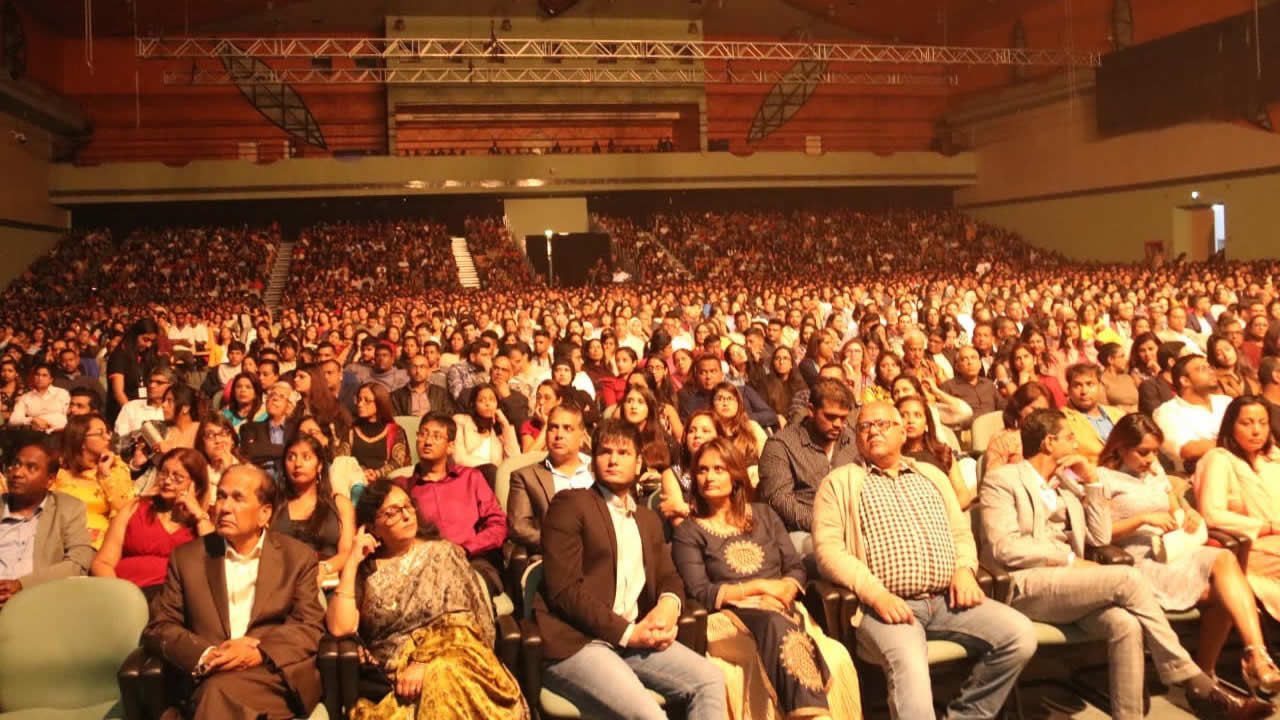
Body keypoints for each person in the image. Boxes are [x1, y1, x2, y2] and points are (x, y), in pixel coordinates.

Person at [979, 408, 1265, 720]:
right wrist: (1070, 560)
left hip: (1067, 586)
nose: (1077, 444)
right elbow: (1005, 547)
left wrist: (1092, 482)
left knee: (1125, 624)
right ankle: (1193, 679)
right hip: (1024, 583)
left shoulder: (1066, 483)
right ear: (1049, 442)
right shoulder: (1002, 480)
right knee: (1128, 578)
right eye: (1070, 437)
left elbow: (1099, 537)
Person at [813, 401, 1036, 720]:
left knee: (1020, 635)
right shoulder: (839, 482)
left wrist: (965, 569)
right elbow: (828, 551)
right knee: (910, 668)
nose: (873, 431)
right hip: (887, 608)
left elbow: (960, 532)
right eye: (865, 426)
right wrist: (877, 595)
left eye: (882, 424)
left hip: (948, 600)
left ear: (902, 433)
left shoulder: (931, 475)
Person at [533, 419, 726, 720]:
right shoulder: (570, 505)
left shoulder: (647, 520)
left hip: (633, 640)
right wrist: (628, 633)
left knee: (710, 679)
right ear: (593, 462)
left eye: (623, 453)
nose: (613, 460)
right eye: (605, 452)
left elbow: (669, 577)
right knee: (650, 716)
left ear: (638, 464)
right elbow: (565, 591)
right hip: (579, 642)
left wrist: (668, 606)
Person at [673, 436, 860, 720]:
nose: (709, 477)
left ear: (735, 475)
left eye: (719, 469)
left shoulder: (764, 514)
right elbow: (701, 592)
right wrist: (758, 587)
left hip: (783, 608)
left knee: (836, 655)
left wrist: (784, 590)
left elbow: (795, 567)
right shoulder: (689, 531)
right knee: (776, 628)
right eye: (702, 470)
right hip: (728, 620)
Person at [1099, 414, 1280, 692]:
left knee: (1225, 559)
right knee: (1226, 593)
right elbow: (1099, 534)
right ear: (1120, 447)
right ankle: (1206, 675)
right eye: (1143, 452)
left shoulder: (1155, 471)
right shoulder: (1103, 478)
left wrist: (1188, 513)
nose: (1150, 459)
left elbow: (1174, 507)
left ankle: (1256, 655)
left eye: (1155, 451)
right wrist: (1142, 519)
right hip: (1136, 560)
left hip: (1172, 551)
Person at [325, 479, 529, 720]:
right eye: (392, 512)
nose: (406, 516)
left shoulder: (443, 553)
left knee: (442, 675)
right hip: (393, 675)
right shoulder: (367, 570)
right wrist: (351, 561)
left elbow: (463, 622)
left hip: (457, 657)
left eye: (408, 506)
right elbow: (340, 627)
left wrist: (425, 661)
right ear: (372, 527)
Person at [142, 464, 327, 720]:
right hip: (207, 674)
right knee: (214, 690)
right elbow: (160, 627)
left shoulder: (296, 557)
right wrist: (207, 654)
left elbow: (308, 626)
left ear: (264, 514)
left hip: (270, 677)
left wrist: (258, 651)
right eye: (221, 496)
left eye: (238, 498)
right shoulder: (188, 558)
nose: (225, 507)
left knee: (214, 693)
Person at [398, 412, 508, 593]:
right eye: (423, 434)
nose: (428, 441)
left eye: (436, 436)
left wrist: (466, 548)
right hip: (425, 566)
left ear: (450, 447)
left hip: (472, 560)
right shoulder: (402, 488)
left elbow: (498, 524)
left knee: (469, 585)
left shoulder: (471, 478)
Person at [1195, 396, 1280, 630]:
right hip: (1246, 548)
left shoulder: (1273, 460)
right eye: (1247, 423)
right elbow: (1212, 514)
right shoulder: (1218, 459)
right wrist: (1269, 527)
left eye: (1263, 423)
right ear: (1231, 426)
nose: (1256, 431)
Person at [91, 448, 215, 593]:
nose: (167, 481)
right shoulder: (135, 508)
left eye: (177, 477)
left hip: (172, 598)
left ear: (196, 486)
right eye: (163, 473)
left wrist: (199, 515)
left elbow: (217, 561)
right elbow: (102, 562)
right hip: (126, 592)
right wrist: (118, 594)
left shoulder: (202, 523)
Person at [0, 442, 95, 608]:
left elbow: (78, 562)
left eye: (31, 468)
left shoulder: (68, 508)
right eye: (15, 464)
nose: (17, 473)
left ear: (50, 480)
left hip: (42, 602)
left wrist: (22, 585)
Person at [507, 403, 593, 555]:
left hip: (601, 556)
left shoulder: (598, 470)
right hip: (552, 556)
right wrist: (558, 543)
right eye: (553, 427)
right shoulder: (525, 477)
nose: (559, 435)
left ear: (582, 437)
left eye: (567, 428)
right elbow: (518, 527)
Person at [273, 435, 355, 587]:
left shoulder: (339, 504)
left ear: (320, 466)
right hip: (281, 583)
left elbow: (346, 552)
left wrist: (324, 568)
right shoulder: (274, 504)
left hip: (327, 583)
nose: (297, 464)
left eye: (306, 457)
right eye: (291, 457)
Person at [53, 413, 135, 549]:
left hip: (96, 542)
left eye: (107, 432)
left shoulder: (115, 467)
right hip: (59, 537)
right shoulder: (60, 471)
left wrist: (105, 475)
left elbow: (126, 510)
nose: (108, 437)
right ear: (81, 440)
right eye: (100, 433)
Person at [1153, 354, 1233, 472]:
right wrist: (1237, 442)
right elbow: (1188, 450)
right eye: (1202, 369)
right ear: (1185, 381)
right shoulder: (1167, 411)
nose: (1211, 372)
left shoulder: (1226, 401)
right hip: (1201, 473)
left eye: (1210, 367)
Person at [897, 394, 973, 510]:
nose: (910, 421)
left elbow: (963, 495)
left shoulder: (942, 453)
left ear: (927, 423)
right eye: (903, 415)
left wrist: (944, 513)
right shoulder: (891, 458)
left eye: (917, 415)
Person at [659, 410, 721, 527]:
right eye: (691, 431)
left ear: (719, 436)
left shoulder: (728, 470)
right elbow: (680, 524)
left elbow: (735, 514)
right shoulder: (671, 475)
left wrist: (684, 508)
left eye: (705, 431)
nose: (697, 435)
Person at [1060, 363, 1125, 466]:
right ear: (1068, 390)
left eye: (1090, 384)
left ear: (1100, 386)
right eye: (1077, 385)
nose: (1084, 391)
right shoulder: (1062, 419)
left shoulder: (1118, 414)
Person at [348, 381, 410, 485]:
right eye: (359, 399)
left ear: (380, 403)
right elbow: (343, 459)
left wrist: (377, 474)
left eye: (367, 400)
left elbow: (397, 462)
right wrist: (361, 473)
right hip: (355, 480)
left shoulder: (395, 431)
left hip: (385, 482)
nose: (360, 404)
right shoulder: (351, 430)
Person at [239, 381, 297, 480]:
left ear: (289, 406)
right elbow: (250, 451)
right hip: (260, 479)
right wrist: (288, 450)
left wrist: (263, 449)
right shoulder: (249, 428)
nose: (275, 399)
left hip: (289, 479)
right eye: (272, 395)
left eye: (281, 397)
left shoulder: (296, 429)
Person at [710, 382, 767, 466]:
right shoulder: (708, 430)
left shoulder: (753, 427)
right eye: (720, 399)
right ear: (712, 404)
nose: (725, 403)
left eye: (730, 398)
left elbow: (768, 459)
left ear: (738, 403)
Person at [940, 345, 1004, 421]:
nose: (970, 362)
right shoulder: (948, 386)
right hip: (968, 427)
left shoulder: (988, 384)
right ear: (957, 367)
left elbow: (1002, 405)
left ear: (980, 364)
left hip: (994, 424)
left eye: (973, 358)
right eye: (964, 359)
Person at [7, 362, 70, 435]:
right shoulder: (25, 398)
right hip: (35, 434)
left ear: (51, 379)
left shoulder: (62, 393)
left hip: (60, 433)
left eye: (44, 375)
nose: (40, 378)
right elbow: (13, 420)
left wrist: (43, 420)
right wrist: (32, 420)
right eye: (37, 375)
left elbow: (66, 416)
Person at [390, 352, 451, 418]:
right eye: (414, 367)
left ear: (429, 372)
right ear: (408, 371)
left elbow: (448, 416)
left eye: (422, 367)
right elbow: (395, 419)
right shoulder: (396, 396)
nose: (418, 371)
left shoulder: (441, 393)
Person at [1098, 342, 1140, 413]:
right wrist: (1123, 409)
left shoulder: (1128, 378)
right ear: (1110, 360)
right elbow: (1103, 408)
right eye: (1122, 356)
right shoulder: (1101, 380)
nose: (1126, 360)